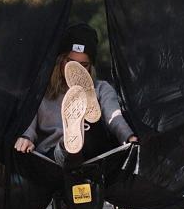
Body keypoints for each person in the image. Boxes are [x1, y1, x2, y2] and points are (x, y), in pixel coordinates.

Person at [14, 23, 138, 167]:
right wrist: (26, 137)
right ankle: (70, 143)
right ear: (60, 61)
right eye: (71, 63)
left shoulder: (102, 88)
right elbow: (28, 120)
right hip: (53, 159)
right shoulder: (40, 93)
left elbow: (114, 117)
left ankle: (85, 115)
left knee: (93, 128)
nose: (77, 70)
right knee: (65, 151)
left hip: (94, 154)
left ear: (91, 66)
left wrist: (129, 136)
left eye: (83, 65)